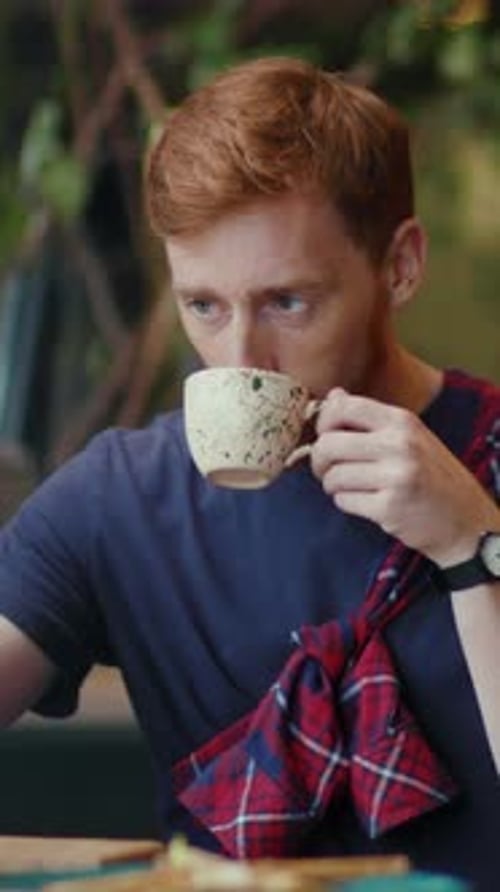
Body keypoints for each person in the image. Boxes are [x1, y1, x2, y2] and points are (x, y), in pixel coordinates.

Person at [1, 56, 499, 891]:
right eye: (204, 306)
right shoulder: (121, 500)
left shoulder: (487, 457)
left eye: (286, 302)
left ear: (400, 265)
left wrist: (472, 541)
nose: (239, 358)